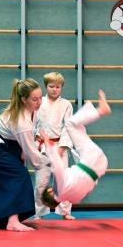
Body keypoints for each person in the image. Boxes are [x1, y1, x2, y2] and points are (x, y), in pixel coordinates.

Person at [0, 78, 49, 232]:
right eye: (35, 99)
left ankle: (6, 219)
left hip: (7, 145)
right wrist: (51, 162)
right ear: (23, 99)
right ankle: (12, 221)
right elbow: (34, 158)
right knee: (19, 175)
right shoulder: (21, 121)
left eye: (41, 97)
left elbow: (25, 144)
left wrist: (22, 151)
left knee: (16, 175)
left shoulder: (31, 110)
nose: (39, 102)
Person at [40, 90, 111, 207]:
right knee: (70, 124)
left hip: (100, 167)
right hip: (90, 158)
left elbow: (85, 185)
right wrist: (47, 142)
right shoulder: (60, 186)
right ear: (50, 190)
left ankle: (99, 111)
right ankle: (101, 110)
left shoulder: (74, 199)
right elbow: (56, 164)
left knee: (78, 129)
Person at [34, 71, 75, 220]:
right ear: (46, 86)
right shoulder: (39, 102)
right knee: (41, 182)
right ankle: (39, 212)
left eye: (58, 87)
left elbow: (69, 127)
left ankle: (65, 212)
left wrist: (62, 147)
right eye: (51, 86)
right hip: (42, 146)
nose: (54, 89)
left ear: (61, 87)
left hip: (60, 146)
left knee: (62, 181)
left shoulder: (66, 105)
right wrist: (33, 146)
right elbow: (33, 125)